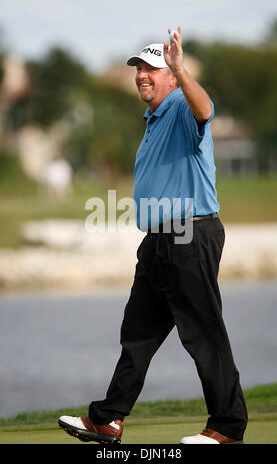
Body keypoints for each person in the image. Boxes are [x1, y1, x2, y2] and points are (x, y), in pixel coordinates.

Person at [58, 27, 248, 445]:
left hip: (189, 233)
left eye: (152, 69)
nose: (143, 75)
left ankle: (227, 427)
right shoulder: (152, 117)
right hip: (160, 241)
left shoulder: (181, 105)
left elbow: (205, 110)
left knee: (202, 332)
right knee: (138, 334)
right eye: (139, 68)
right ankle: (108, 419)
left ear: (171, 78)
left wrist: (180, 67)